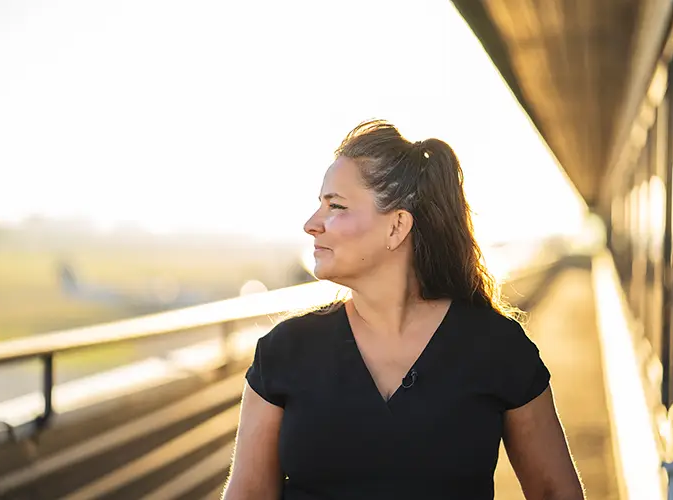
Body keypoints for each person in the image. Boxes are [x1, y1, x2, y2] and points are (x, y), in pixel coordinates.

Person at [222, 120, 584, 499]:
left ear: (397, 227)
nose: (312, 224)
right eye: (320, 206)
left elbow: (554, 492)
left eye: (336, 206)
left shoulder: (498, 348)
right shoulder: (284, 352)